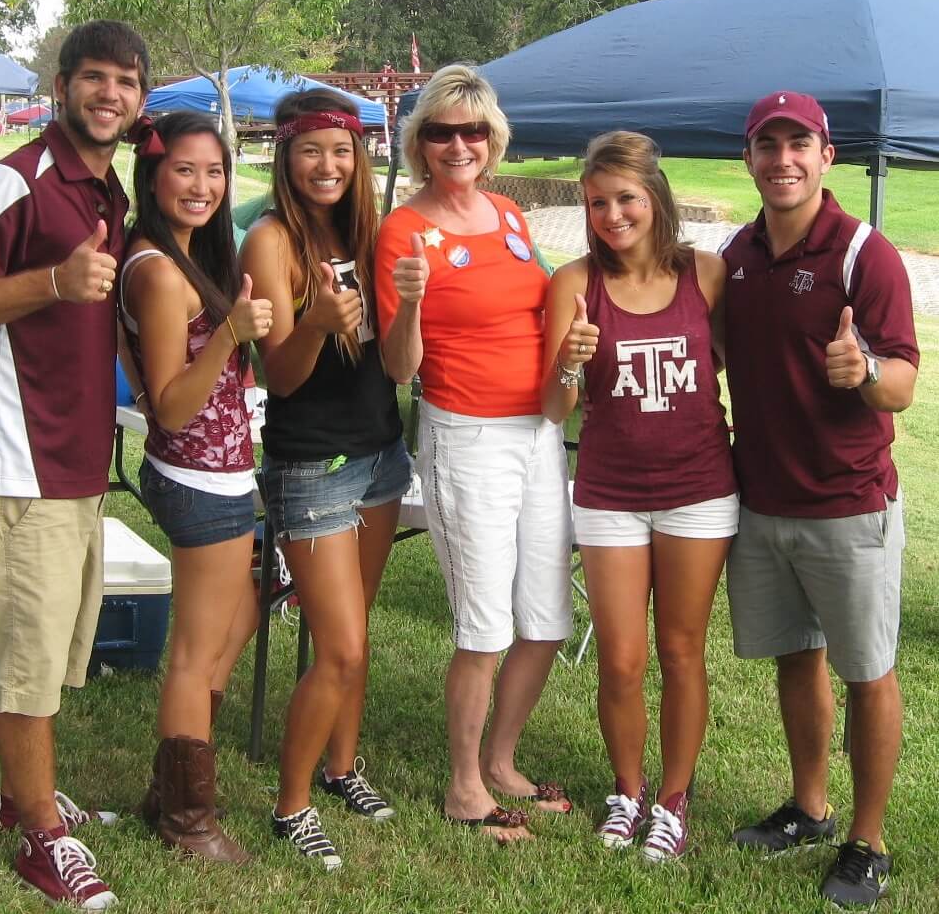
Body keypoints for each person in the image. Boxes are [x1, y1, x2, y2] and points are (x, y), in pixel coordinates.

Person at [0, 20, 150, 910]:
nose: (110, 95)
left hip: (76, 459)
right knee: (25, 657)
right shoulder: (17, 181)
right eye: (94, 78)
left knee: (50, 648)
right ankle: (41, 840)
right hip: (19, 462)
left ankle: (25, 800)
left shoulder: (107, 190)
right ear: (62, 87)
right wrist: (51, 283)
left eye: (126, 83)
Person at [722, 92, 918, 910]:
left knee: (868, 671)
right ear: (750, 160)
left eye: (798, 143)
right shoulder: (736, 255)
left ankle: (866, 840)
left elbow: (904, 380)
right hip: (763, 502)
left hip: (849, 505)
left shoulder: (865, 255)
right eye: (767, 146)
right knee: (796, 659)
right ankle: (809, 805)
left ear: (827, 155)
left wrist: (862, 372)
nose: (782, 160)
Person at [375, 64, 573, 845]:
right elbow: (398, 367)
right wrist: (415, 298)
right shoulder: (403, 231)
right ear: (419, 142)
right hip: (468, 437)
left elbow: (546, 302)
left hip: (539, 434)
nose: (459, 144)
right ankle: (463, 786)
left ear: (494, 142)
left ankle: (501, 758)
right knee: (484, 624)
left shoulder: (510, 214)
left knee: (547, 617)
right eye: (441, 131)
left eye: (474, 131)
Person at [541, 131, 737, 861]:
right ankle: (627, 790)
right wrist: (568, 364)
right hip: (610, 492)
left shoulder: (707, 275)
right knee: (620, 659)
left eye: (625, 198)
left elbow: (743, 369)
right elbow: (556, 408)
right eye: (597, 203)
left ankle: (674, 799)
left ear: (655, 198)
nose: (612, 215)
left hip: (699, 490)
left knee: (681, 650)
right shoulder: (574, 282)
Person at [240, 90, 410, 871]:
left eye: (341, 151)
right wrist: (314, 322)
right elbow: (279, 375)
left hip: (380, 452)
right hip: (310, 465)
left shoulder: (371, 234)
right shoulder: (270, 241)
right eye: (311, 150)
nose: (328, 166)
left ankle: (344, 767)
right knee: (337, 647)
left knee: (357, 633)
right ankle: (291, 803)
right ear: (286, 155)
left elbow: (401, 357)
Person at [119, 111, 273, 863]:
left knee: (237, 615)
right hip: (195, 476)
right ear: (153, 176)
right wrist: (232, 333)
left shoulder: (182, 258)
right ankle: (187, 819)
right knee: (193, 650)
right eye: (185, 169)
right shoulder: (153, 270)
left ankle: (170, 779)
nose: (203, 186)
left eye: (214, 171)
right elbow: (173, 407)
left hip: (222, 474)